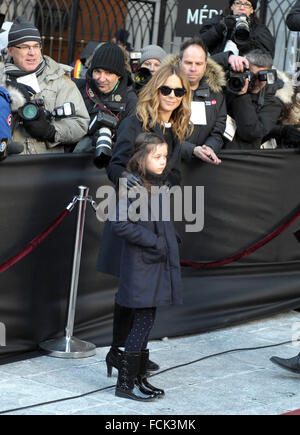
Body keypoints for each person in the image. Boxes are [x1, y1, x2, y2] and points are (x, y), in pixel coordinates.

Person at [97, 62, 192, 376]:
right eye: (166, 89)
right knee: (131, 291)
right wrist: (135, 185)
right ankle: (120, 353)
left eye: (179, 91)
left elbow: (173, 172)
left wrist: (165, 183)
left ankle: (127, 353)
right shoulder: (136, 120)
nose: (172, 95)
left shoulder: (175, 130)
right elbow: (114, 166)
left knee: (139, 292)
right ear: (156, 89)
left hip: (154, 216)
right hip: (131, 214)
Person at [109, 131, 182, 401]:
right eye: (157, 156)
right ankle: (125, 384)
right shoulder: (133, 187)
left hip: (154, 264)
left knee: (147, 321)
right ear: (141, 159)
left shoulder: (155, 185)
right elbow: (120, 223)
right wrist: (154, 241)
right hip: (142, 266)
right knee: (141, 322)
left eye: (165, 156)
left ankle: (139, 377)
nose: (163, 161)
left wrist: (170, 238)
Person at [4, 16, 90, 154]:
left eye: (36, 46)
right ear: (10, 50)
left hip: (45, 169)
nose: (32, 53)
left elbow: (80, 124)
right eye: (25, 47)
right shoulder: (2, 81)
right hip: (7, 167)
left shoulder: (59, 80)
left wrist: (51, 132)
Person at [220, 49, 294, 149]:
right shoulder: (231, 80)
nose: (256, 82)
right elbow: (201, 69)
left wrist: (242, 96)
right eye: (251, 76)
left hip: (238, 156)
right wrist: (228, 58)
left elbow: (251, 133)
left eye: (261, 77)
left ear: (269, 75)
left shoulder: (274, 99)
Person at [73, 42, 137, 156]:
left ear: (119, 75)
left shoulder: (130, 101)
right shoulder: (78, 89)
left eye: (109, 73)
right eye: (98, 71)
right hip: (72, 161)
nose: (102, 79)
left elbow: (130, 143)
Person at [178, 36, 226, 164]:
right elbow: (160, 134)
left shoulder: (216, 94)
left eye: (198, 63)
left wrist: (209, 148)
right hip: (167, 165)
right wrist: (191, 150)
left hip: (201, 168)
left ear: (205, 65)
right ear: (179, 62)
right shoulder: (167, 91)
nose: (193, 68)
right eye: (188, 63)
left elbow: (218, 132)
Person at [199, 0, 275, 58]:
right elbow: (200, 43)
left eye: (247, 4)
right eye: (238, 3)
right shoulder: (219, 21)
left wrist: (245, 41)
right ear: (232, 6)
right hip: (219, 69)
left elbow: (267, 57)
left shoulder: (259, 29)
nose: (242, 8)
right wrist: (221, 27)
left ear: (252, 10)